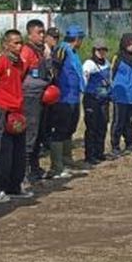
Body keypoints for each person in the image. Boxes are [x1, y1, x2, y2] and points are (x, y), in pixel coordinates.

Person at [0, 29, 31, 203]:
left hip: (17, 111)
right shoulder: (0, 62)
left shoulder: (20, 63)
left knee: (18, 152)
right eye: (16, 43)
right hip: (2, 110)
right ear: (6, 44)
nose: (19, 46)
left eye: (21, 42)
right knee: (2, 152)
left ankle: (15, 186)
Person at [47, 25, 85, 178]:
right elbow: (54, 69)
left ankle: (67, 159)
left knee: (70, 128)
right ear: (77, 39)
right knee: (61, 130)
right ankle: (57, 166)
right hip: (63, 97)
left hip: (74, 97)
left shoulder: (74, 52)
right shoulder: (62, 50)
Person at [20, 19, 53, 184]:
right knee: (30, 135)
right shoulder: (26, 52)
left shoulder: (41, 51)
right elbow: (19, 76)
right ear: (30, 34)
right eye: (38, 33)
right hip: (30, 98)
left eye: (43, 32)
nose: (42, 36)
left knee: (40, 134)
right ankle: (24, 172)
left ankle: (35, 168)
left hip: (42, 96)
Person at [109, 34, 132, 156]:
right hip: (120, 94)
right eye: (129, 43)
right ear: (124, 44)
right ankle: (115, 146)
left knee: (129, 121)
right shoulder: (117, 57)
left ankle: (129, 144)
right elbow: (110, 74)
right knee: (118, 121)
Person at [81, 40, 113, 165]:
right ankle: (90, 155)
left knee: (103, 126)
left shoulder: (107, 63)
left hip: (103, 99)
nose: (101, 52)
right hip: (91, 99)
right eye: (99, 50)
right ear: (94, 50)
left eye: (104, 50)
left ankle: (100, 152)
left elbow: (110, 79)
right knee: (92, 127)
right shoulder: (89, 63)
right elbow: (84, 77)